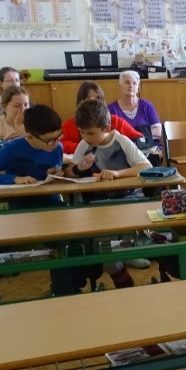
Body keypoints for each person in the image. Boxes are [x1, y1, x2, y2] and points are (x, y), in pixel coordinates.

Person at [63, 99, 151, 289]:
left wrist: (117, 173)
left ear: (106, 128)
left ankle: (123, 279)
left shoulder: (121, 141)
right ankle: (121, 279)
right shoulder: (84, 145)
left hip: (126, 201)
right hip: (98, 205)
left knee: (117, 249)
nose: (85, 137)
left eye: (91, 133)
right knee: (106, 253)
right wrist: (78, 168)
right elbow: (69, 173)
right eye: (82, 132)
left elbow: (146, 166)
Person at [0, 104, 64, 205]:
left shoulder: (57, 148)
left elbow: (54, 172)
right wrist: (14, 179)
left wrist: (55, 174)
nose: (56, 143)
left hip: (52, 200)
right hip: (21, 204)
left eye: (59, 137)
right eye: (49, 140)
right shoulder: (11, 149)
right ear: (30, 136)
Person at [61, 82, 144, 154]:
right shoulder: (71, 123)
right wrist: (87, 148)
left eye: (98, 98)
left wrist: (114, 147)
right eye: (89, 98)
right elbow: (59, 144)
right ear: (81, 103)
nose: (95, 101)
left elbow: (139, 139)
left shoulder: (115, 121)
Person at [108, 70, 162, 146]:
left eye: (134, 83)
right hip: (122, 149)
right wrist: (144, 131)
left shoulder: (147, 105)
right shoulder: (111, 109)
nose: (131, 86)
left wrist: (130, 133)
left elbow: (158, 131)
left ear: (138, 87)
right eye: (127, 82)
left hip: (146, 148)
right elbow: (108, 134)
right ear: (120, 86)